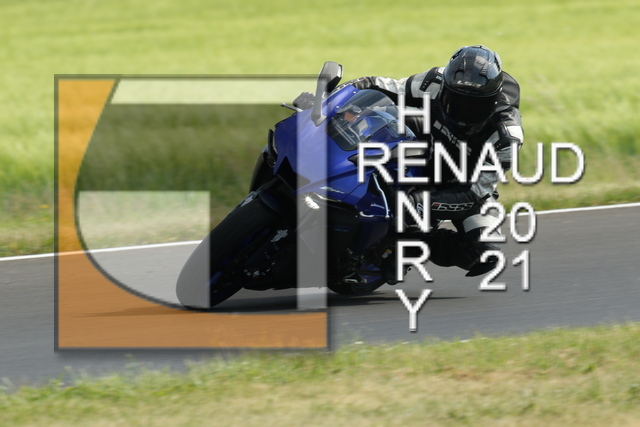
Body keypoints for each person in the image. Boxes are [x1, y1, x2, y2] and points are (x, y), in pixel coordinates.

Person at [294, 45, 524, 279]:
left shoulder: (506, 136)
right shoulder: (434, 81)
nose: (464, 111)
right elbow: (377, 85)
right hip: (423, 145)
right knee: (372, 114)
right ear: (445, 87)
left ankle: (413, 244)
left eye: (475, 106)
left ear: (493, 101)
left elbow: (474, 194)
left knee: (483, 251)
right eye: (457, 100)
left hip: (461, 183)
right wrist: (328, 103)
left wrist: (418, 202)